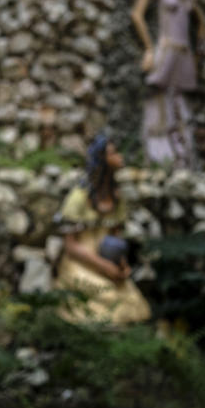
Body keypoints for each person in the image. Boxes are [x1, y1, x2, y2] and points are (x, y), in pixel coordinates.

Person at [54, 134, 152, 325]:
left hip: (107, 258)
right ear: (101, 159)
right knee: (108, 298)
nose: (120, 157)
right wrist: (103, 266)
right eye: (113, 154)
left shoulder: (117, 197)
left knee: (132, 300)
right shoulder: (79, 197)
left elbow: (116, 235)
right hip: (82, 260)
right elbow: (71, 246)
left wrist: (121, 263)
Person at [130, 0, 205, 170]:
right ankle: (159, 160)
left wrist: (199, 49)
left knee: (181, 108)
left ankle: (184, 162)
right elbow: (136, 14)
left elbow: (199, 20)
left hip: (183, 51)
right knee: (159, 105)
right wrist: (149, 48)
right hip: (166, 48)